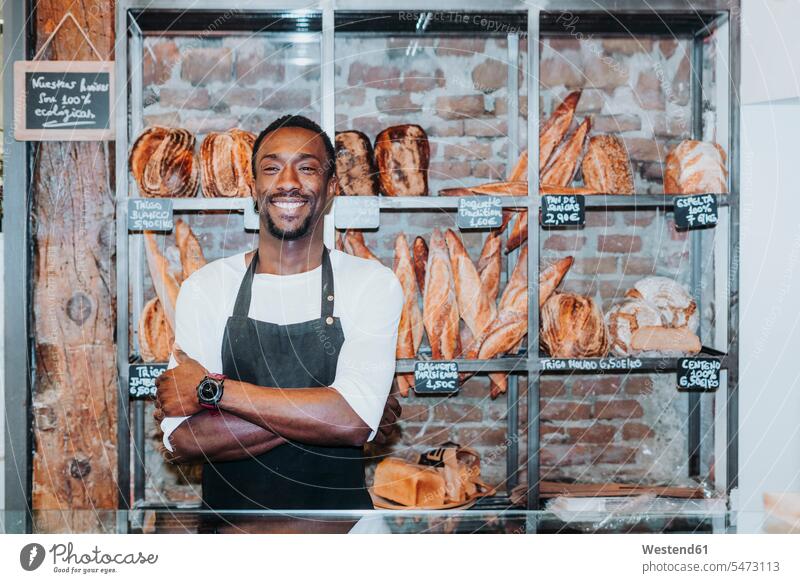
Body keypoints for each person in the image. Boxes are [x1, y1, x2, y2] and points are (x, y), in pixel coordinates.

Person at [153, 115, 403, 511]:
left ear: (332, 188)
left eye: (307, 168)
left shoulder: (371, 283)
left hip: (339, 539)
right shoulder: (207, 286)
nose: (288, 181)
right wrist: (328, 413)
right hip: (229, 540)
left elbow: (352, 421)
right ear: (254, 189)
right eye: (271, 168)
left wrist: (214, 392)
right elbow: (185, 438)